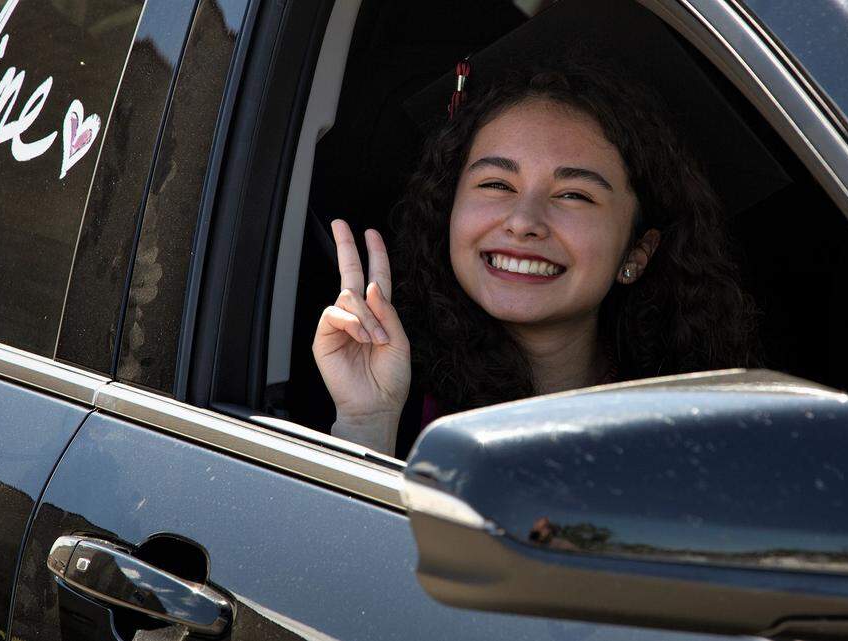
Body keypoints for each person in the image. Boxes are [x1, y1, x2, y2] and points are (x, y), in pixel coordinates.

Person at [312, 62, 759, 457]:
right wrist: (367, 424)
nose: (524, 221)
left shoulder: (695, 432)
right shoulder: (392, 391)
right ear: (449, 210)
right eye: (496, 185)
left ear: (637, 252)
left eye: (573, 194)